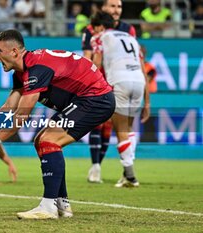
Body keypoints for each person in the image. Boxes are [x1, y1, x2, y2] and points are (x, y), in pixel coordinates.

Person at [0, 29, 115, 219]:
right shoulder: (23, 71)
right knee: (41, 140)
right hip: (87, 98)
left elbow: (21, 116)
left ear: (15, 52)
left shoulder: (37, 69)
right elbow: (9, 107)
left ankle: (48, 206)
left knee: (48, 141)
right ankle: (61, 204)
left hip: (95, 99)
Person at [90, 12, 150, 188]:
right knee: (129, 129)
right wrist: (147, 101)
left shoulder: (100, 38)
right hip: (138, 81)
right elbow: (143, 68)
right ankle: (127, 173)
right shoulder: (131, 38)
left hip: (119, 81)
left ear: (100, 26)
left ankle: (130, 176)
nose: (94, 32)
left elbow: (96, 64)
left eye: (94, 28)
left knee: (120, 128)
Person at [81, 0, 137, 184]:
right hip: (101, 82)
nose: (116, 10)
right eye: (112, 6)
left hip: (118, 82)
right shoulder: (91, 29)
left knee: (112, 127)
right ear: (103, 8)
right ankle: (96, 166)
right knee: (98, 124)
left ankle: (122, 169)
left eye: (119, 6)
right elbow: (89, 59)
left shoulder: (129, 29)